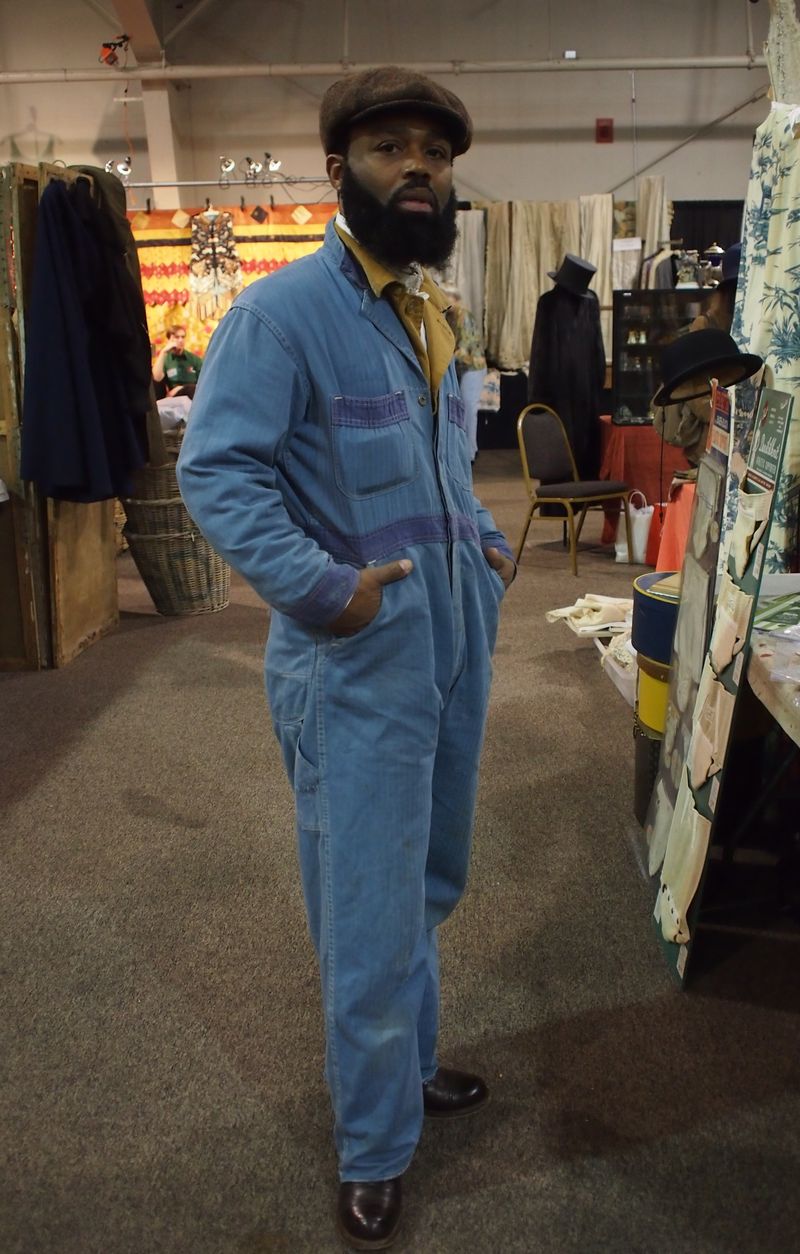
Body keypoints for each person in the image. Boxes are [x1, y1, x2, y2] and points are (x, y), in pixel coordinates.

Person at [176, 65, 515, 1250]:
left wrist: (482, 541)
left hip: (449, 644)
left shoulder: (428, 310)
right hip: (356, 659)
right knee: (367, 910)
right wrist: (326, 592)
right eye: (389, 147)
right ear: (338, 171)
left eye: (435, 151)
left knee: (426, 879)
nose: (418, 167)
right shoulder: (280, 316)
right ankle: (372, 1147)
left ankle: (408, 1070)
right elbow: (217, 471)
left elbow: (439, 465)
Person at [653, 242, 741, 466]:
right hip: (709, 443)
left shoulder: (749, 325)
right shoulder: (706, 324)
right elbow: (693, 388)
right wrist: (723, 415)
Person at [442, 283, 487, 462]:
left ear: (455, 299)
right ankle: (469, 448)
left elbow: (465, 347)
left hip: (472, 367)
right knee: (463, 408)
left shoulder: (464, 316)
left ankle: (469, 452)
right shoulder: (451, 316)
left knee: (469, 408)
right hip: (462, 367)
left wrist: (446, 358)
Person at [152, 324, 203, 395]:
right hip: (175, 398)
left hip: (194, 395)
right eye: (177, 337)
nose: (181, 340)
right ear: (169, 340)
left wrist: (181, 388)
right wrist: (163, 352)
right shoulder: (166, 359)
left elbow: (204, 383)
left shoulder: (194, 359)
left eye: (183, 337)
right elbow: (157, 378)